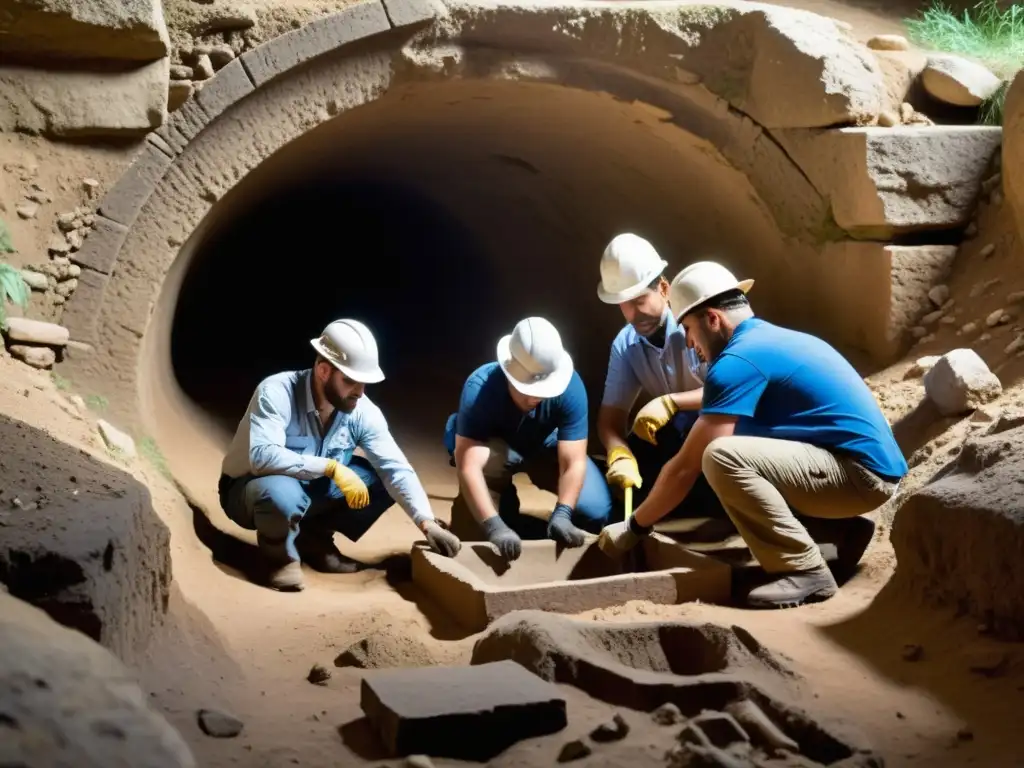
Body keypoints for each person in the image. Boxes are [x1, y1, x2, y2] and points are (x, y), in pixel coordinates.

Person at [597, 261, 908, 608]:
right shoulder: (770, 339)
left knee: (719, 456)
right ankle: (838, 531)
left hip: (860, 477)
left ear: (713, 319)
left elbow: (686, 467)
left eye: (688, 327)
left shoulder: (737, 361)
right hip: (865, 468)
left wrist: (635, 526)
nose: (688, 341)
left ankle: (805, 572)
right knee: (743, 437)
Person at [219, 319, 461, 592]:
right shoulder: (277, 392)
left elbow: (396, 469)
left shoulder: (361, 409)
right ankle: (280, 558)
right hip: (248, 489)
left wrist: (427, 523)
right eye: (350, 381)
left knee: (378, 480)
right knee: (282, 492)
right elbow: (261, 457)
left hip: (307, 490)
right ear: (323, 371)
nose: (359, 391)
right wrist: (331, 467)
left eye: (364, 383)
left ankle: (314, 540)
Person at [443, 316, 614, 560]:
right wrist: (494, 525)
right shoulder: (480, 387)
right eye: (528, 390)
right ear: (508, 372)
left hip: (544, 445)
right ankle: (502, 509)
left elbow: (573, 461)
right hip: (495, 449)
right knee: (473, 535)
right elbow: (468, 465)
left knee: (595, 512)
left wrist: (564, 512)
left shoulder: (570, 386)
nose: (536, 398)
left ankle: (529, 519)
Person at [595, 233, 723, 521]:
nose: (634, 313)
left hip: (720, 426)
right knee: (635, 468)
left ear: (664, 288)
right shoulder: (626, 344)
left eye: (640, 299)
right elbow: (610, 418)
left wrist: (672, 402)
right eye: (624, 304)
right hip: (676, 432)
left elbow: (731, 391)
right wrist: (619, 452)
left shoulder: (696, 325)